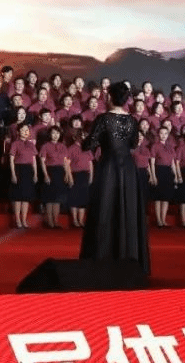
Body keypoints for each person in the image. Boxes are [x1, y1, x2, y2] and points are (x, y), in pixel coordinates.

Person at [79, 81, 150, 275]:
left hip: (109, 168)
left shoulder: (103, 119)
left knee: (105, 210)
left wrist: (82, 137)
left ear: (110, 97)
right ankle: (129, 261)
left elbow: (89, 144)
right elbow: (133, 144)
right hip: (128, 170)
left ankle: (102, 261)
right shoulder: (132, 121)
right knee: (128, 211)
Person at [38, 126, 70, 229]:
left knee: (57, 199)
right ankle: (49, 221)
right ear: (49, 134)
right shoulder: (45, 146)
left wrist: (67, 174)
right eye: (53, 133)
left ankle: (55, 221)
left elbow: (65, 161)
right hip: (50, 171)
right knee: (49, 198)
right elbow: (42, 162)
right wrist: (46, 175)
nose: (55, 135)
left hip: (60, 172)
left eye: (57, 133)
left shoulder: (63, 146)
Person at [9, 124, 38, 229]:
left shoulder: (31, 144)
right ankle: (17, 220)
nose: (25, 132)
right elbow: (11, 160)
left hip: (28, 170)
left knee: (26, 197)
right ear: (18, 132)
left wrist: (35, 173)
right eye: (23, 130)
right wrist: (13, 174)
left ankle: (24, 220)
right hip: (19, 169)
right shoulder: (15, 143)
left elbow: (34, 160)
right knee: (18, 197)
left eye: (27, 130)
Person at [66, 131, 95, 228]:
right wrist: (70, 176)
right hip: (75, 175)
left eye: (84, 136)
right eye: (81, 136)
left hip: (85, 175)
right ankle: (74, 221)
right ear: (75, 137)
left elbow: (90, 163)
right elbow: (67, 164)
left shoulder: (87, 148)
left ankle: (81, 221)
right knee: (74, 198)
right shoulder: (71, 148)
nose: (82, 138)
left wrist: (91, 176)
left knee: (83, 199)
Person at [150, 126, 176, 228]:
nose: (163, 135)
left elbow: (173, 162)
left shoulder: (170, 146)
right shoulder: (155, 146)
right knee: (158, 198)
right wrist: (153, 176)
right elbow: (152, 163)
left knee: (166, 198)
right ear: (158, 134)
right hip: (159, 171)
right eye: (161, 133)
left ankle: (163, 220)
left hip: (168, 172)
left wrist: (175, 175)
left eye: (165, 133)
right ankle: (159, 220)